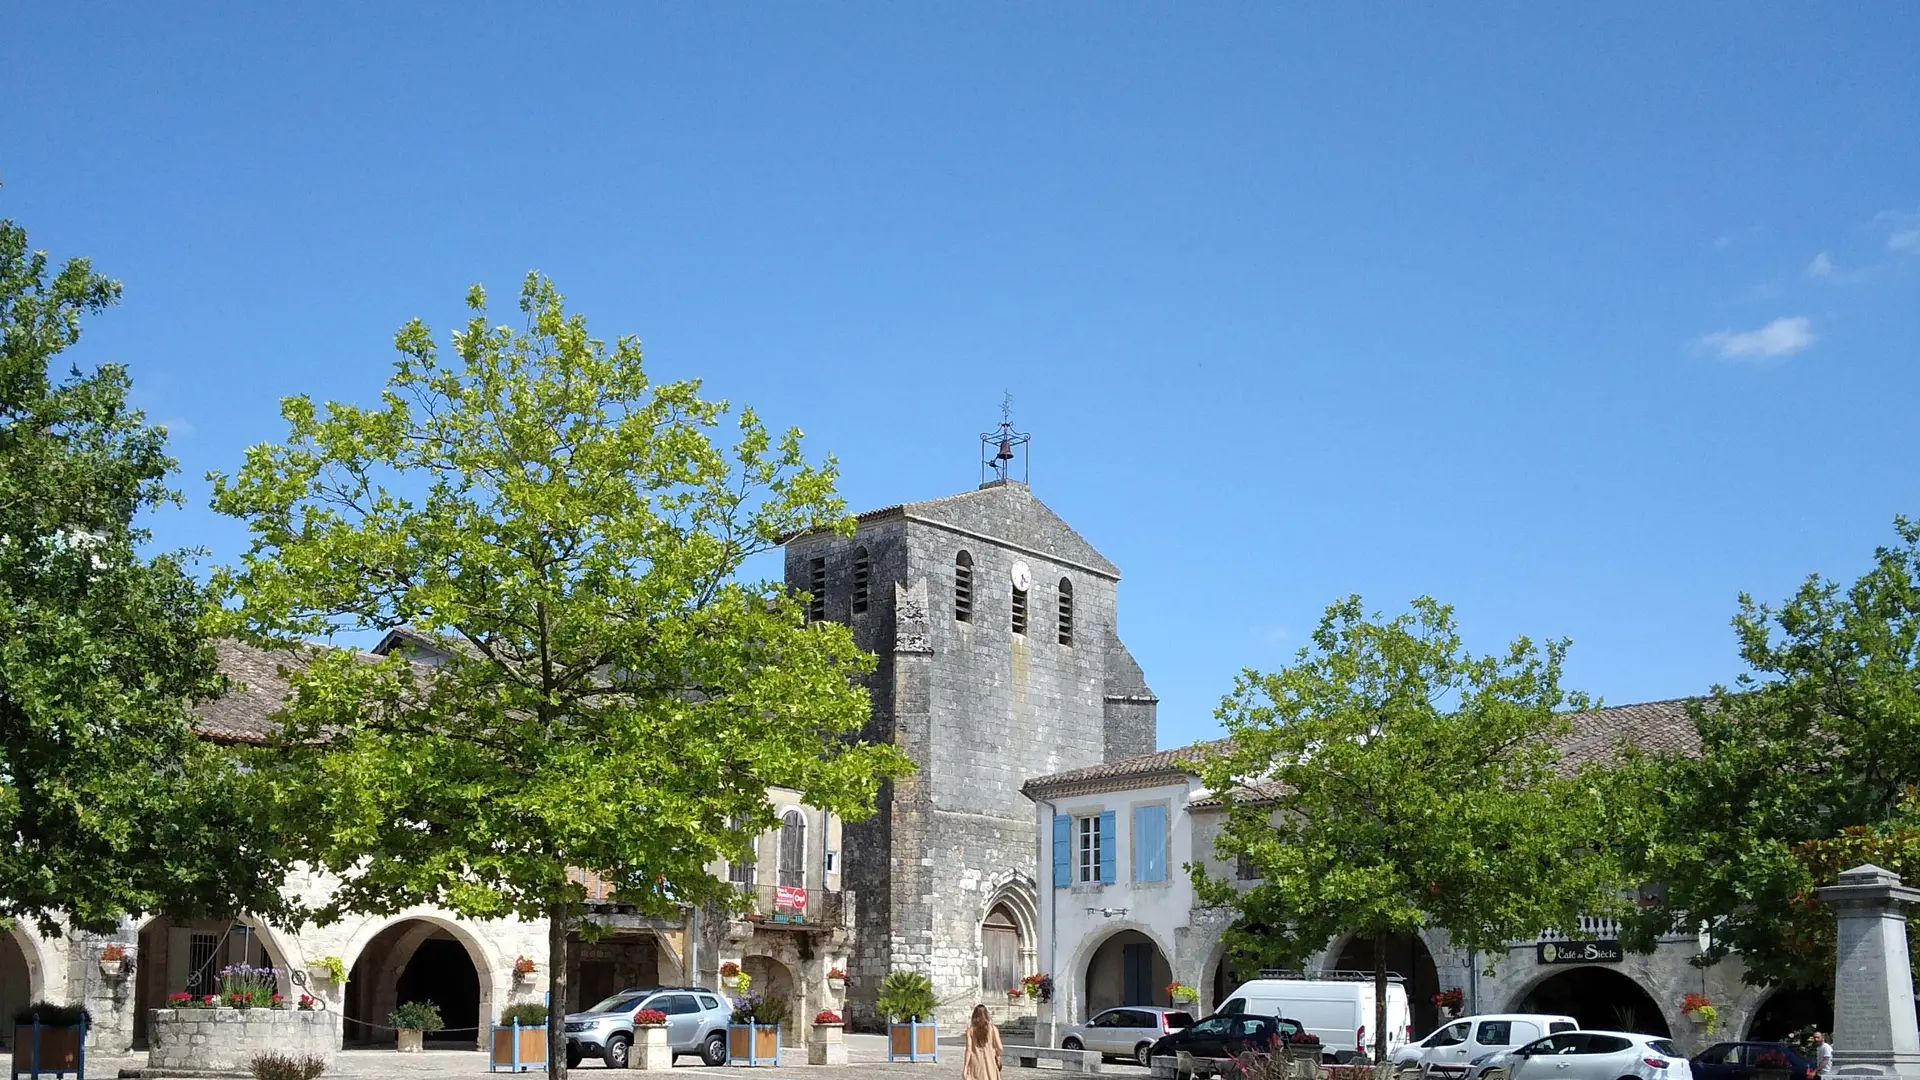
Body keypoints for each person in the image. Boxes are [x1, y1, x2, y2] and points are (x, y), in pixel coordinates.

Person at [964, 1004, 1003, 1080]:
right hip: (990, 1062)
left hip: (976, 1063)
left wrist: (965, 1067)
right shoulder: (993, 1029)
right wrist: (996, 1054)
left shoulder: (970, 1030)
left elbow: (968, 1049)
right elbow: (1000, 1047)